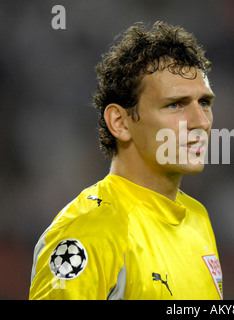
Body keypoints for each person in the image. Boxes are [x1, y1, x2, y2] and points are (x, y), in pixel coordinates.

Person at [29, 21, 222, 300]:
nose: (201, 122)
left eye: (204, 103)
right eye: (175, 104)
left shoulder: (197, 217)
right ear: (119, 122)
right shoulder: (88, 232)